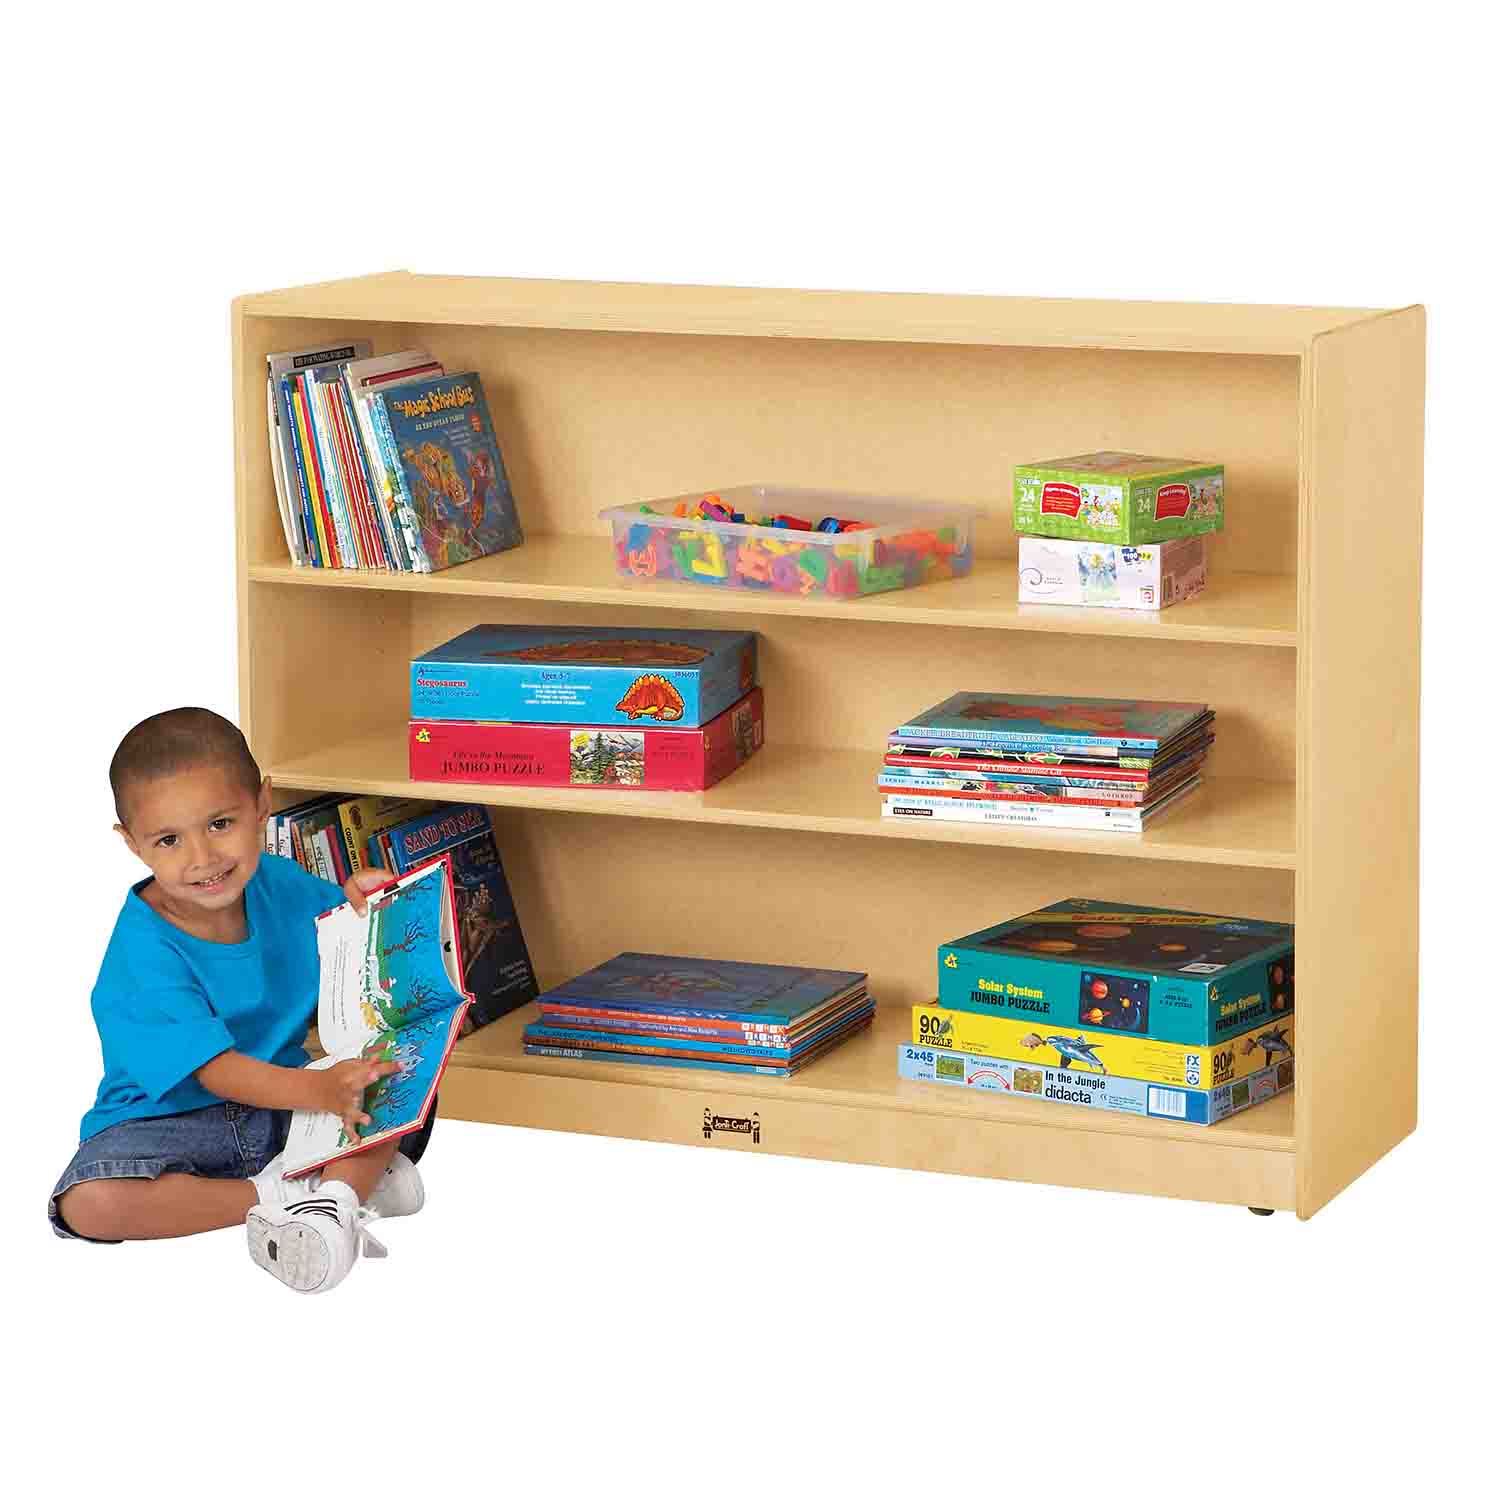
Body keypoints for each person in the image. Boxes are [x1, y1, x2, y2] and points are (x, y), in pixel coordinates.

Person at [49, 707, 434, 1294]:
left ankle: (335, 1201)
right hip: (173, 1120)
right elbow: (217, 1072)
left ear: (262, 806)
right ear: (132, 843)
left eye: (220, 824)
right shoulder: (142, 952)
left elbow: (341, 935)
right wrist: (320, 1093)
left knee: (397, 1075)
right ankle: (285, 1198)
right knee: (86, 1202)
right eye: (169, 839)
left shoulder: (279, 883)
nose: (202, 858)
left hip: (281, 1102)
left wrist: (362, 901)